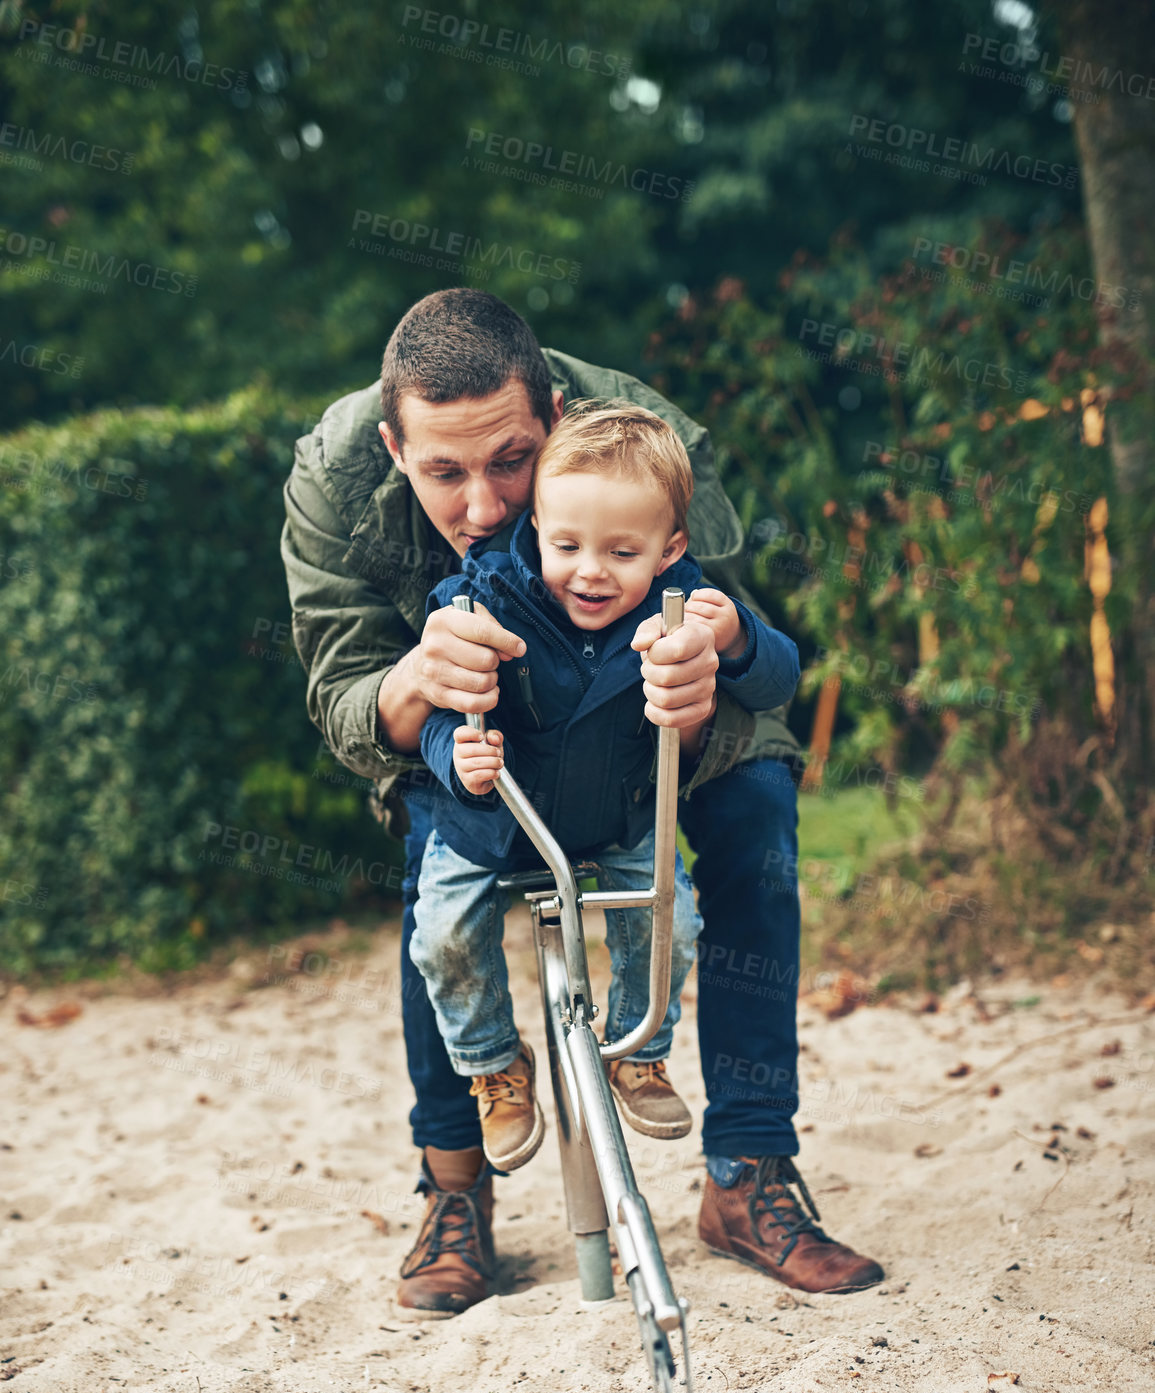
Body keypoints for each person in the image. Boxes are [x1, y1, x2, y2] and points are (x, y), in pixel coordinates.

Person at [281, 286, 884, 1315]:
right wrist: (420, 680)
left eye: (511, 460)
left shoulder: (648, 439)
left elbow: (751, 652)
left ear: (554, 414)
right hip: (473, 737)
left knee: (755, 816)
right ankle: (456, 1189)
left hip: (649, 720)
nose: (483, 506)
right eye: (444, 472)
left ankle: (748, 1174)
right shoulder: (332, 483)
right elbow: (341, 699)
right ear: (392, 446)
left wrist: (696, 688)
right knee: (439, 858)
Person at [409, 401, 799, 1177]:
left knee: (673, 922)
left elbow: (779, 679)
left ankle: (638, 1053)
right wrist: (458, 757)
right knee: (443, 932)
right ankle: (494, 1065)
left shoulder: (682, 604)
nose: (589, 570)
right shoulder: (479, 596)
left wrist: (734, 639)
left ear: (668, 549)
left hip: (617, 815)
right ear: (536, 527)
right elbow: (433, 718)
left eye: (622, 551)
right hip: (497, 818)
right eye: (566, 545)